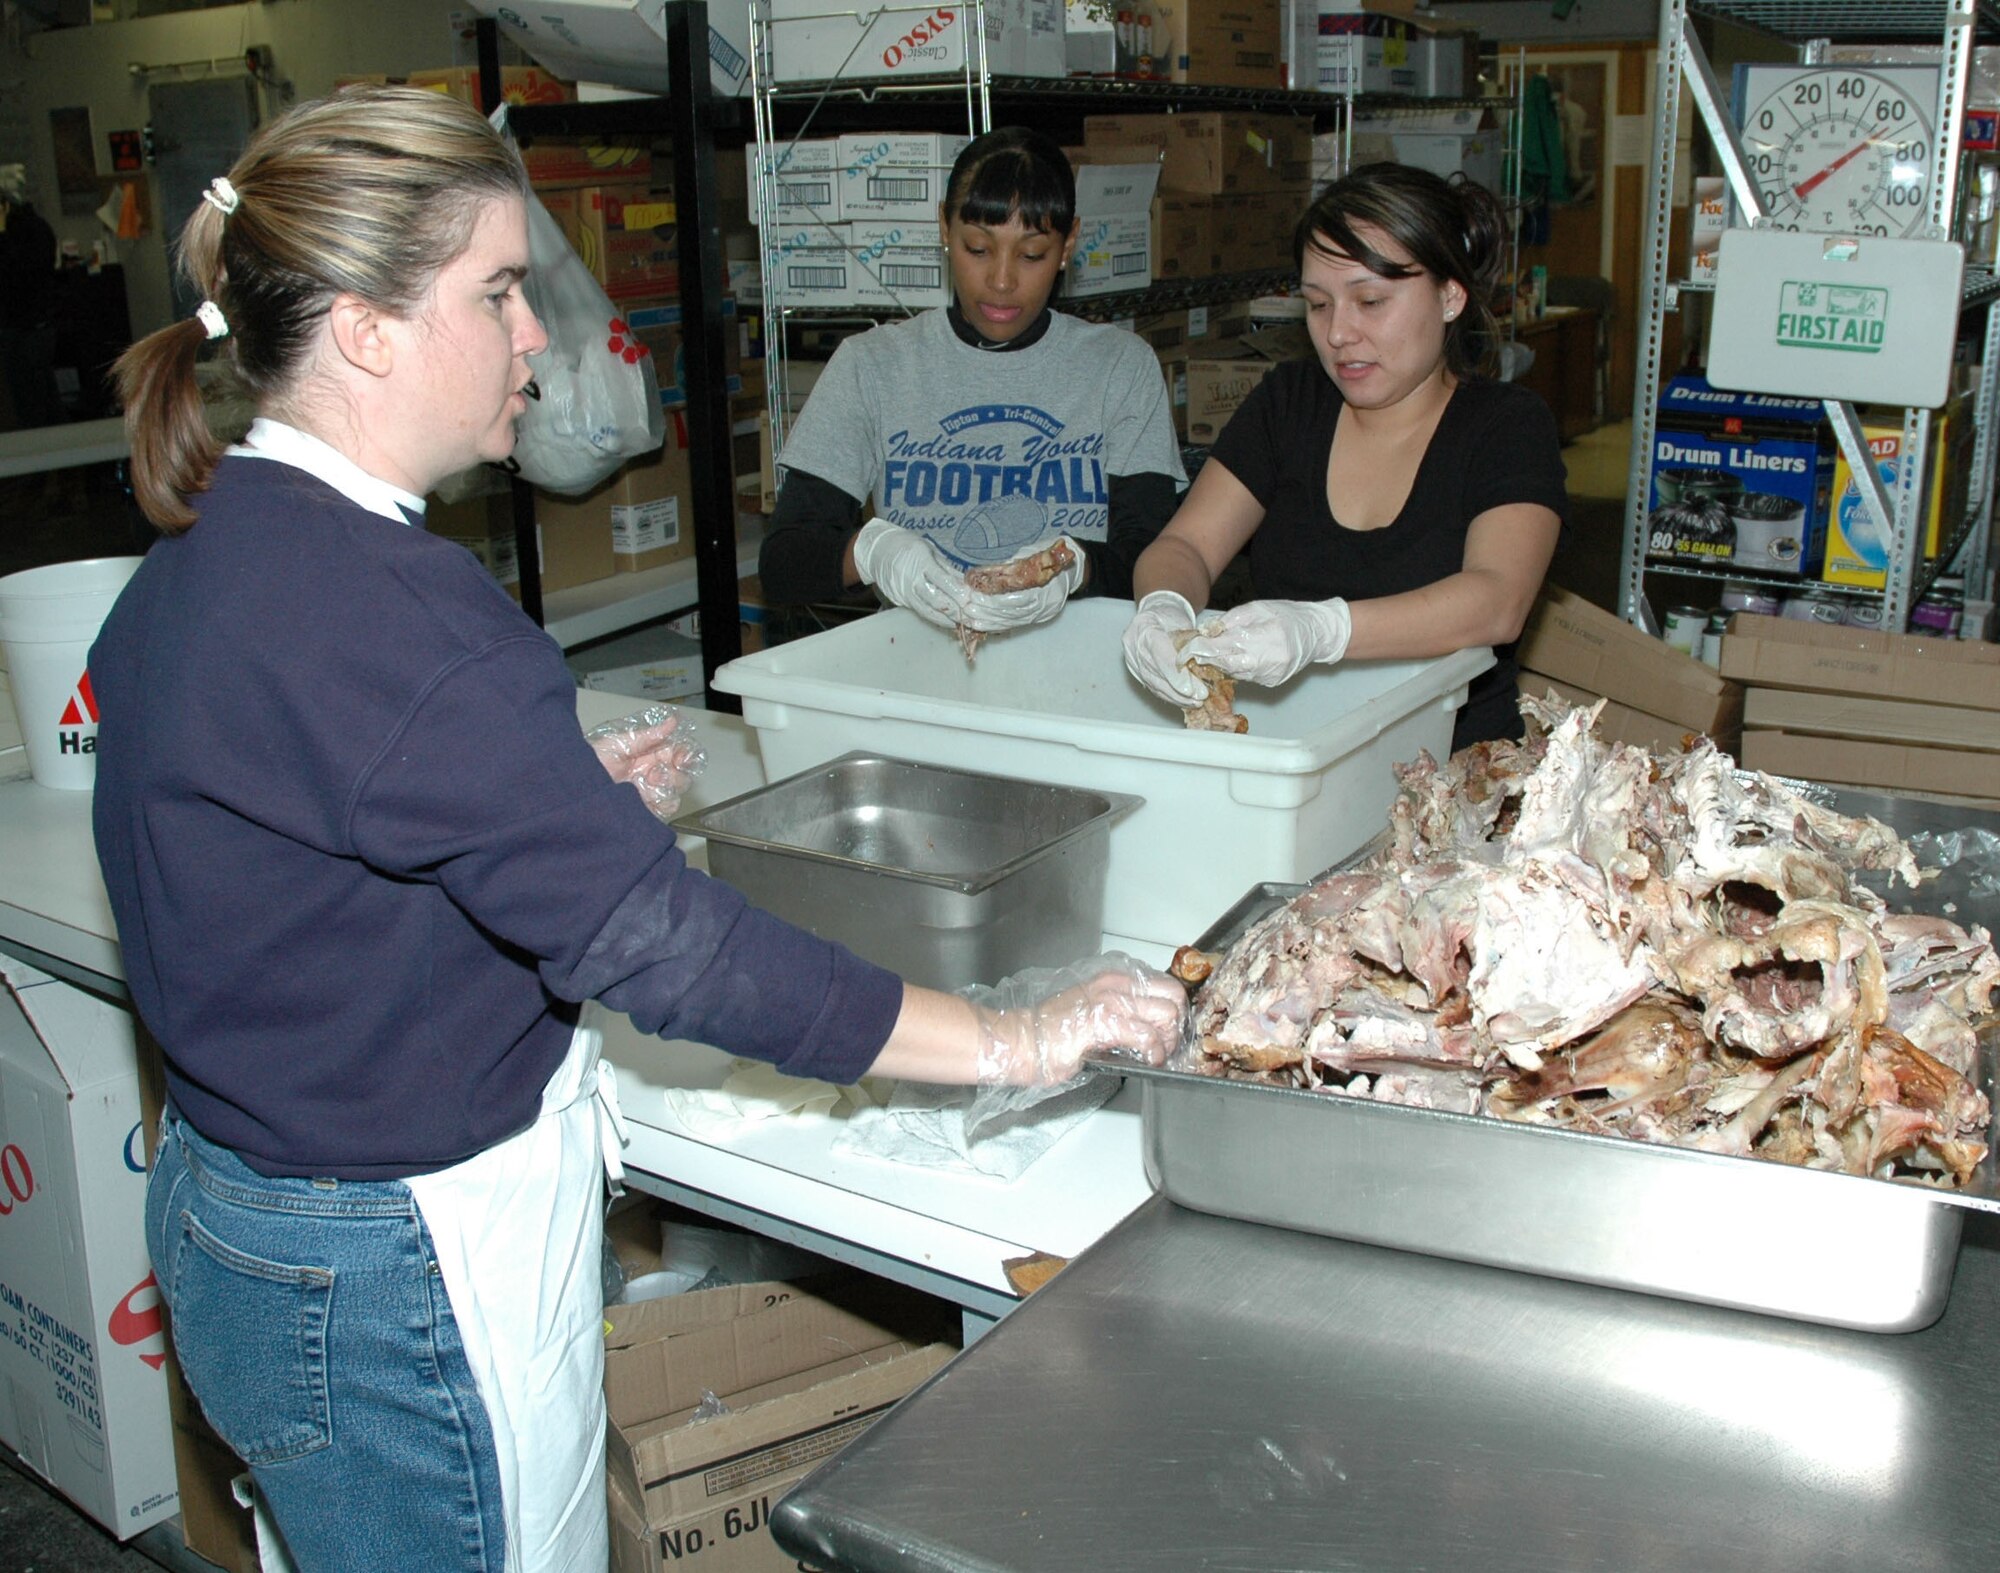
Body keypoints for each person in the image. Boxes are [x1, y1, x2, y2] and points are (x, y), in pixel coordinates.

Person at [93, 87, 1183, 1573]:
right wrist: (1016, 1040)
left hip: (242, 1233)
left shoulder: (202, 553)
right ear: (364, 329)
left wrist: (547, 806)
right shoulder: (411, 621)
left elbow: (289, 868)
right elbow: (680, 957)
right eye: (497, 292)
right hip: (395, 1275)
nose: (539, 334)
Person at [1122, 163, 1567, 753]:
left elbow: (1497, 601)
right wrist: (1163, 607)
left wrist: (1322, 629)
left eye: (1370, 301)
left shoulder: (1506, 426)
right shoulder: (1290, 404)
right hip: (1297, 757)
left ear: (1450, 296)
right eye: (1318, 304)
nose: (1337, 333)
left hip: (1452, 771)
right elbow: (1188, 546)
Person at [759, 125, 1185, 638]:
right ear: (944, 228)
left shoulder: (1119, 367)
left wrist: (1077, 567)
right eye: (978, 248)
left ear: (1069, 242)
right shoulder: (873, 366)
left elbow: (1157, 565)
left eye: (1032, 255)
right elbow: (783, 566)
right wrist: (873, 554)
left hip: (1074, 671)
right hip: (918, 672)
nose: (1002, 281)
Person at [0, 164, 60, 430]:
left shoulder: (20, 235)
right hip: (36, 325)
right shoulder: (38, 228)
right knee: (44, 398)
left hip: (24, 329)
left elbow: (14, 276)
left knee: (29, 404)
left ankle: (42, 464)